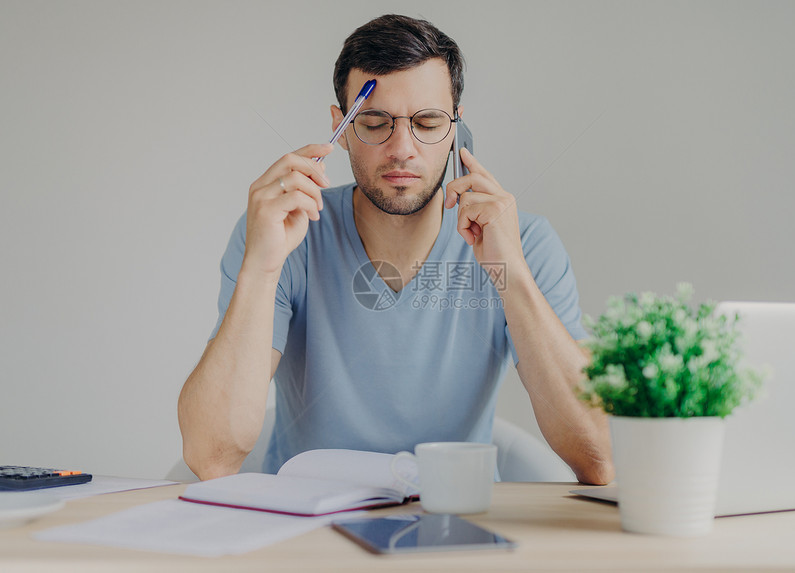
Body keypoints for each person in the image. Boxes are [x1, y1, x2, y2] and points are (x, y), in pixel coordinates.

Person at [178, 14, 613, 485]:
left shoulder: (525, 243)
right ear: (340, 128)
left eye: (427, 122)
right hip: (308, 532)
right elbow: (211, 457)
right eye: (373, 122)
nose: (402, 148)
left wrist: (512, 275)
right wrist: (262, 269)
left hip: (455, 521)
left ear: (457, 131)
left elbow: (597, 457)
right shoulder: (282, 233)